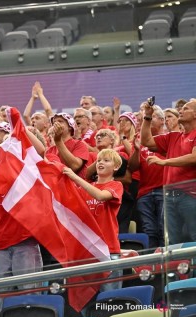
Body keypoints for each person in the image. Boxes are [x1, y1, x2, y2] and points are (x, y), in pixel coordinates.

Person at [0, 125, 45, 317]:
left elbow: (40, 151)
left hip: (26, 242)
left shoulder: (29, 174)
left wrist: (20, 129)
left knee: (29, 294)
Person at [63, 148, 123, 291]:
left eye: (106, 160)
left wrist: (75, 178)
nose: (100, 162)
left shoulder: (116, 185)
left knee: (110, 298)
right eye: (99, 160)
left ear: (116, 167)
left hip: (108, 250)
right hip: (86, 251)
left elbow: (101, 196)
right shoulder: (85, 188)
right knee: (85, 299)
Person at [140, 99, 196, 244]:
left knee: (194, 236)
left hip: (191, 196)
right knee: (172, 242)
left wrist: (165, 162)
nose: (181, 111)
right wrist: (147, 117)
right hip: (169, 197)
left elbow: (194, 157)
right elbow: (146, 141)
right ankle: (176, 267)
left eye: (186, 109)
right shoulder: (173, 137)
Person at [128, 106, 166, 249]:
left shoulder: (170, 137)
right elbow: (132, 167)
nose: (147, 120)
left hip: (165, 190)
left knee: (164, 230)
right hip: (144, 193)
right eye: (145, 118)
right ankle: (152, 267)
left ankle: (166, 266)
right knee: (149, 231)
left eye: (152, 117)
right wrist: (137, 151)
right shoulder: (139, 139)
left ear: (162, 121)